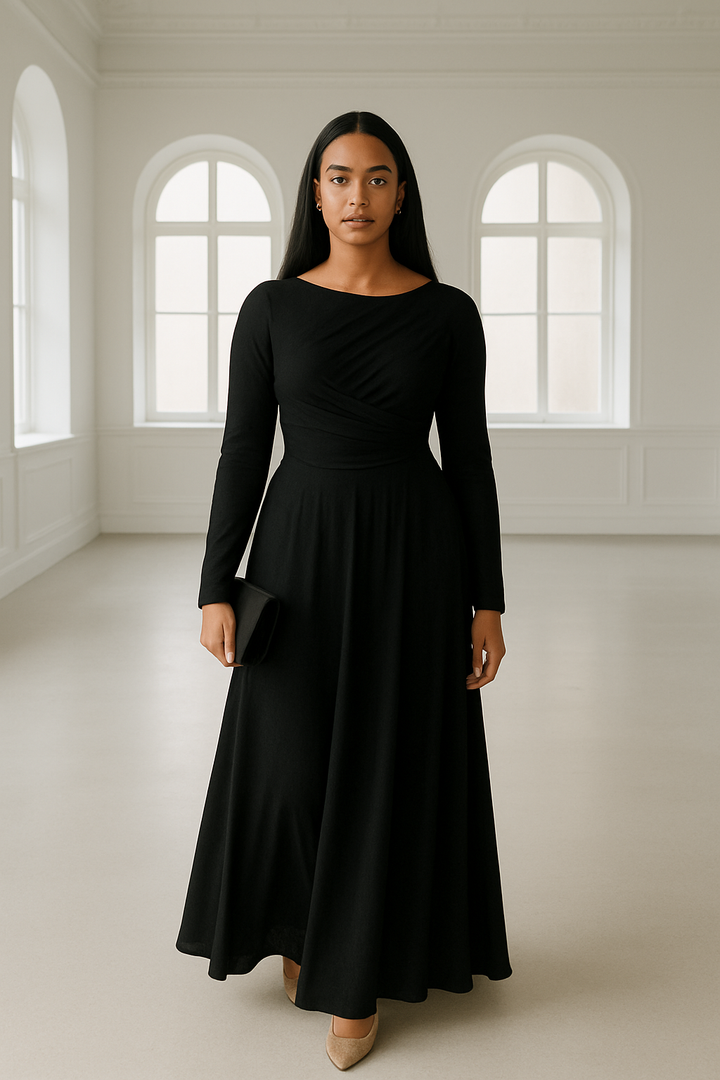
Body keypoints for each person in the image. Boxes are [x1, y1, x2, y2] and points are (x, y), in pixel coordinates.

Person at [176, 110, 512, 1071]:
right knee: (287, 758)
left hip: (416, 551)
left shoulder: (447, 313)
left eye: (375, 177)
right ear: (313, 193)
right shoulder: (270, 307)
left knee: (388, 760)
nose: (355, 196)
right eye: (337, 177)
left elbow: (473, 460)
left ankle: (355, 978)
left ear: (402, 191)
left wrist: (487, 598)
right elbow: (243, 453)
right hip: (298, 551)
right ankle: (300, 925)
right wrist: (215, 584)